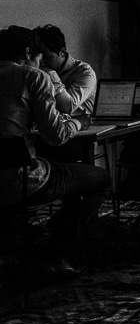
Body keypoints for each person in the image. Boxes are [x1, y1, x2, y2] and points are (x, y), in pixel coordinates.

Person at [0, 25, 110, 274]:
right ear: (29, 52)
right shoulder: (32, 77)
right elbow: (56, 135)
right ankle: (57, 253)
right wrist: (78, 122)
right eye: (39, 58)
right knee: (100, 179)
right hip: (21, 180)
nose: (41, 65)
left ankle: (13, 247)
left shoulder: (83, 72)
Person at [34, 24, 97, 117]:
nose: (41, 63)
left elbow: (68, 107)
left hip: (83, 127)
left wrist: (51, 75)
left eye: (47, 57)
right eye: (38, 58)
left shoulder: (85, 73)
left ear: (62, 52)